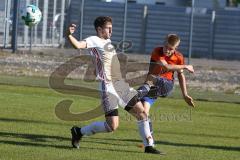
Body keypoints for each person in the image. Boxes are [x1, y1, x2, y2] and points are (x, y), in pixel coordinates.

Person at [66, 16, 163, 154]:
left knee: (142, 113)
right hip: (108, 87)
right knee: (112, 126)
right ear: (99, 29)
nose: (111, 30)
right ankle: (79, 131)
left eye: (111, 27)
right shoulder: (94, 39)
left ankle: (149, 146)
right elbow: (78, 45)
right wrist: (68, 34)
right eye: (108, 28)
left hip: (120, 85)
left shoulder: (107, 41)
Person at [138, 34, 195, 135]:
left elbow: (180, 75)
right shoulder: (157, 51)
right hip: (152, 86)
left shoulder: (179, 57)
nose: (167, 50)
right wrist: (186, 66)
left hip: (166, 85)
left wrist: (185, 94)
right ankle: (149, 138)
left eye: (170, 49)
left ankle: (136, 93)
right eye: (166, 46)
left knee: (150, 80)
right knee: (144, 111)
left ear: (175, 48)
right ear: (163, 43)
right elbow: (167, 66)